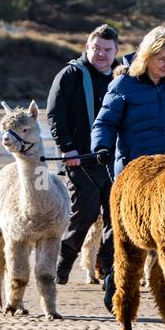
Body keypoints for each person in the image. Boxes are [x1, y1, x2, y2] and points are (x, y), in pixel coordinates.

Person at [91, 26, 165, 311]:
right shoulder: (124, 85)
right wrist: (101, 146)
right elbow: (104, 122)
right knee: (128, 236)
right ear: (148, 57)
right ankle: (116, 282)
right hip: (132, 173)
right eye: (162, 59)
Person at [46, 23, 118, 286]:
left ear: (115, 51)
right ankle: (63, 264)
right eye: (96, 48)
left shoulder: (122, 78)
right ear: (87, 47)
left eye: (107, 50)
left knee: (117, 218)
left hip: (113, 160)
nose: (101, 54)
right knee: (85, 214)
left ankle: (108, 268)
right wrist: (67, 148)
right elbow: (55, 114)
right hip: (80, 159)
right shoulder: (70, 75)